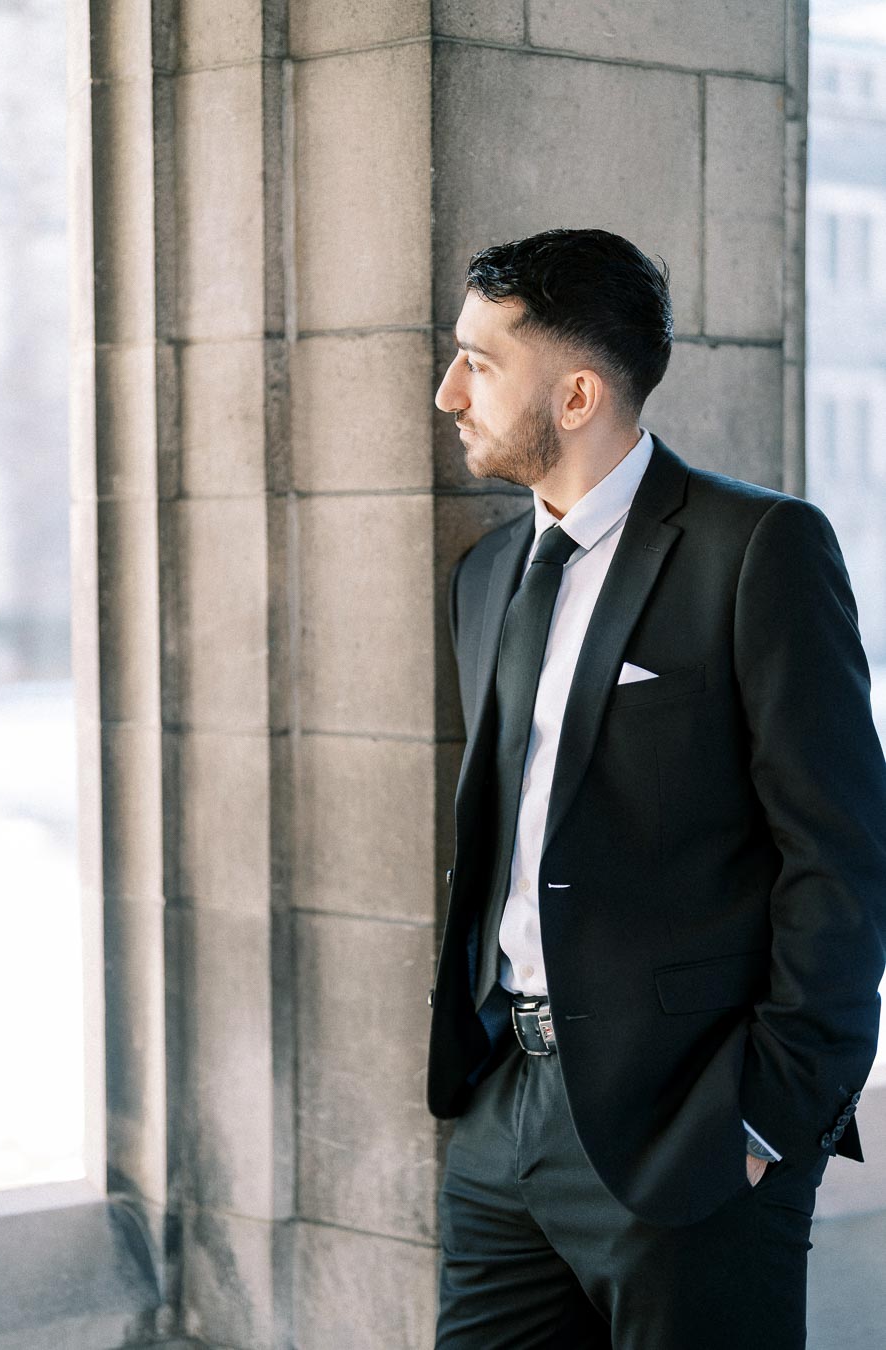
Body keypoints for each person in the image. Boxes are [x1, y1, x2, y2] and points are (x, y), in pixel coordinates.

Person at [426, 227, 886, 1349]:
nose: (448, 393)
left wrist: (768, 1121)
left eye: (479, 362)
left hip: (694, 1132)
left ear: (577, 394)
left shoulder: (759, 548)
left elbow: (841, 861)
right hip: (501, 1120)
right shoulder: (486, 575)